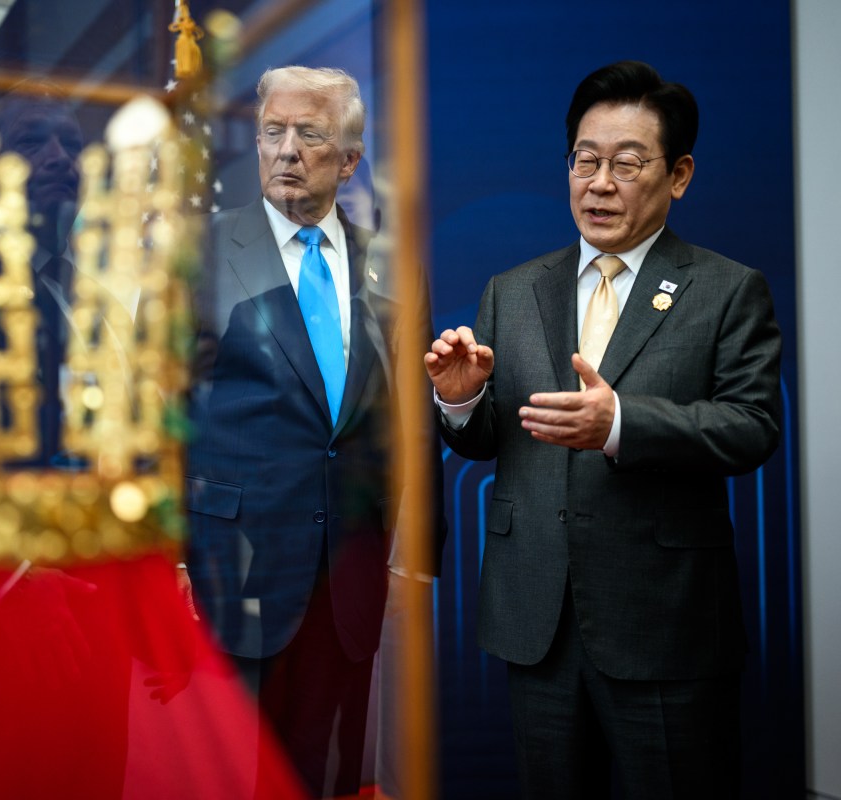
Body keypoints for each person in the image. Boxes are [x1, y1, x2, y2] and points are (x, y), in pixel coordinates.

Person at [425, 60, 782, 799]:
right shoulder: (514, 289)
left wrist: (619, 423)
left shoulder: (725, 289)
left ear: (678, 175)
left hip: (665, 622)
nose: (600, 183)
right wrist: (461, 403)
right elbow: (491, 437)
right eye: (585, 161)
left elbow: (752, 426)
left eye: (627, 163)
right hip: (539, 622)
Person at [185, 65, 443, 798]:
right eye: (274, 132)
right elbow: (166, 413)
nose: (287, 149)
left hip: (350, 572)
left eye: (310, 133)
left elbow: (411, 418)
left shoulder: (395, 268)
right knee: (231, 772)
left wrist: (417, 552)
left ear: (351, 159)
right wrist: (168, 557)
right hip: (232, 568)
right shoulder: (200, 254)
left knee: (328, 772)